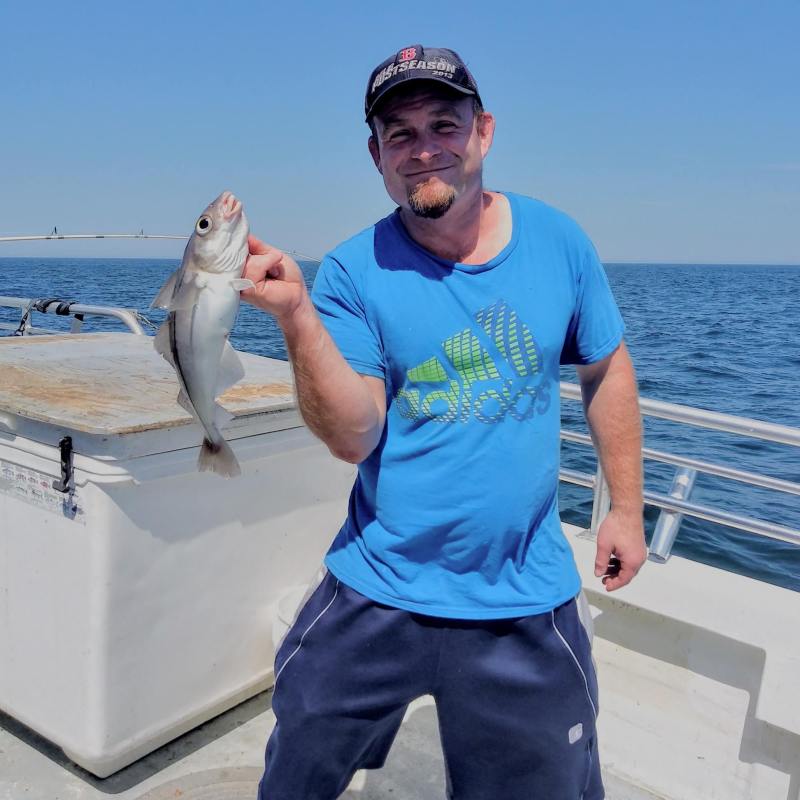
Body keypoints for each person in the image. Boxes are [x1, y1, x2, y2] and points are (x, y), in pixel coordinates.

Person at [243, 45, 646, 800]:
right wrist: (296, 317)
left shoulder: (560, 242)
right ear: (375, 155)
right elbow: (354, 434)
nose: (424, 148)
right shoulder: (353, 270)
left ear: (484, 132)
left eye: (443, 124)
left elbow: (605, 367)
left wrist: (625, 507)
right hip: (376, 587)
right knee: (293, 775)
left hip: (523, 599)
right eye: (399, 134)